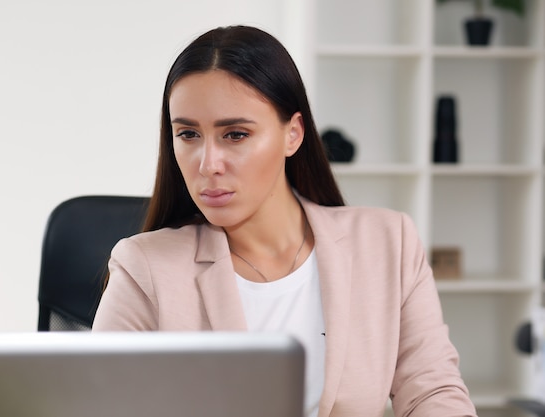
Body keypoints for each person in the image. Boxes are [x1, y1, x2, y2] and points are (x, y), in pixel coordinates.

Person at [92, 25, 477, 417]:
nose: (208, 165)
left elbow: (434, 393)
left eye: (235, 134)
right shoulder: (144, 267)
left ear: (292, 134)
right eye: (188, 134)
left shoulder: (387, 243)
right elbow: (97, 405)